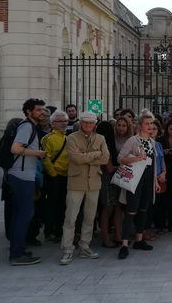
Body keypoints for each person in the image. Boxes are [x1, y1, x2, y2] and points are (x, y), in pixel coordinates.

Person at [59, 111, 110, 265]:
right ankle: (67, 248)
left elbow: (105, 158)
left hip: (94, 181)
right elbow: (75, 158)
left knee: (89, 217)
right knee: (71, 217)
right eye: (85, 122)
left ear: (95, 124)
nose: (88, 125)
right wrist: (95, 154)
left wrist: (86, 157)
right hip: (76, 182)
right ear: (81, 123)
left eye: (91, 123)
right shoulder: (71, 138)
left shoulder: (101, 138)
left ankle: (85, 246)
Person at [7, 98, 47, 266]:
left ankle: (18, 250)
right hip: (21, 176)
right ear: (29, 111)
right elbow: (15, 149)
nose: (42, 113)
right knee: (25, 214)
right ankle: (17, 254)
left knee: (20, 215)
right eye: (38, 110)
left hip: (23, 175)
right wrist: (37, 153)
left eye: (42, 110)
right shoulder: (27, 126)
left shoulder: (30, 126)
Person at [117, 110, 161, 259]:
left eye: (151, 124)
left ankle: (139, 240)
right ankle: (124, 244)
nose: (150, 126)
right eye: (147, 124)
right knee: (131, 211)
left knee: (144, 209)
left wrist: (155, 181)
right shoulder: (133, 140)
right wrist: (136, 158)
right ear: (140, 125)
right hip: (135, 179)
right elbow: (120, 158)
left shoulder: (152, 141)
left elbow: (153, 163)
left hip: (148, 179)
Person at [40, 110, 70, 243]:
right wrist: (53, 174)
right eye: (60, 121)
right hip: (55, 177)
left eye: (65, 121)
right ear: (52, 123)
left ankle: (59, 230)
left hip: (66, 176)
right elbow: (45, 158)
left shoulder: (67, 138)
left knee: (63, 205)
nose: (63, 123)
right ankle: (49, 231)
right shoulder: (48, 138)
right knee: (52, 205)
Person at [95, 120, 122, 248]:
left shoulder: (98, 144)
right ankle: (108, 238)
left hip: (106, 180)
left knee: (111, 209)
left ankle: (114, 236)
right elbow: (110, 168)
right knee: (109, 209)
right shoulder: (106, 146)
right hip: (108, 180)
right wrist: (123, 166)